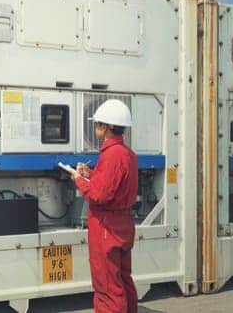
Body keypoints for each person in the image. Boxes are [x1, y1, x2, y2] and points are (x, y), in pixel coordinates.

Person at [71, 99, 138, 313]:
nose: (95, 127)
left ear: (106, 127)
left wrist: (78, 180)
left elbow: (99, 195)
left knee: (107, 285)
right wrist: (90, 175)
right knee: (122, 278)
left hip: (106, 227)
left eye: (98, 123)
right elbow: (114, 186)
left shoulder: (111, 155)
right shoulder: (127, 154)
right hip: (123, 224)